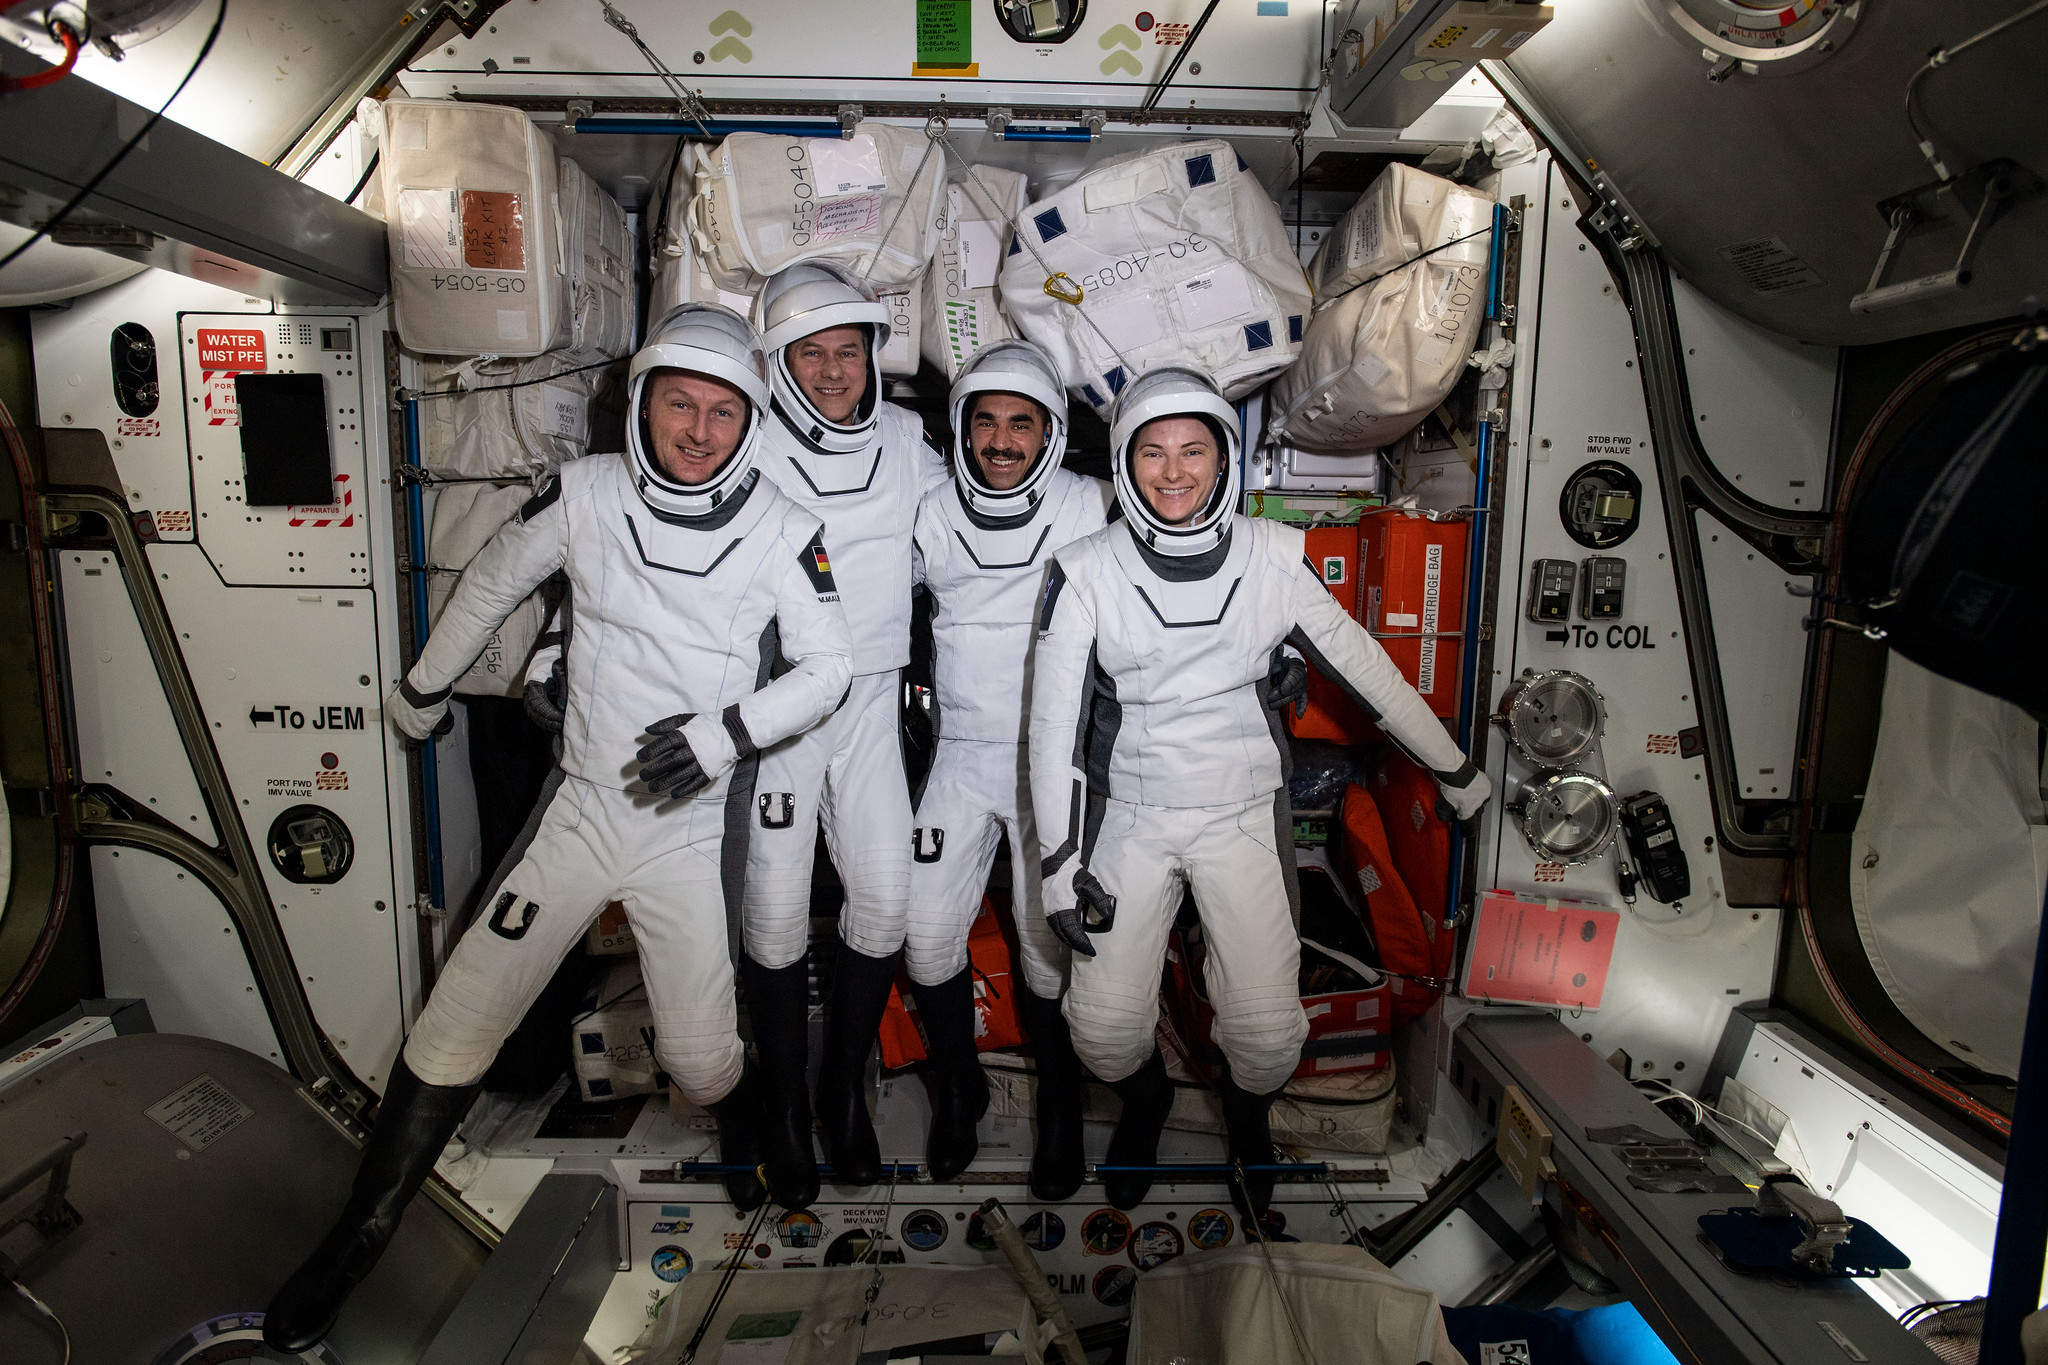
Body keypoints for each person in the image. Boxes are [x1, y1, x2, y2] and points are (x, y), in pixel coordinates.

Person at [263, 304, 852, 1352]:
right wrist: (424, 684)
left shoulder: (784, 529)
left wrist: (726, 737)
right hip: (578, 811)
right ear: (643, 404)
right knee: (458, 1017)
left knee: (701, 1060)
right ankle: (357, 1235)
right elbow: (493, 580)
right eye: (680, 404)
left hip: (685, 825)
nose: (699, 431)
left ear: (749, 422)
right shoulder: (582, 496)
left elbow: (829, 669)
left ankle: (761, 1116)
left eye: (723, 412)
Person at [1027, 366, 1491, 1218]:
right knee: (1098, 1032)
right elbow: (1051, 730)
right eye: (1153, 452)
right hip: (1129, 816)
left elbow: (1366, 671)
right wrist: (1060, 864)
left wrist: (1454, 767)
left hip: (1241, 813)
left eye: (1193, 450)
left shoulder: (1273, 557)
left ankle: (1247, 1121)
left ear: (1222, 458)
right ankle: (1148, 1102)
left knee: (1268, 1036)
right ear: (1125, 465)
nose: (1173, 472)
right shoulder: (1083, 570)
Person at [741, 261, 950, 1205]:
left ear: (872, 354)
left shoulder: (908, 439)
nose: (832, 372)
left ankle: (841, 1086)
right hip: (784, 708)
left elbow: (969, 543)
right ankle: (784, 1107)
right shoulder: (740, 448)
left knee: (888, 902)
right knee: (776, 913)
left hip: (872, 700)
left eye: (847, 352)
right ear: (778, 363)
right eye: (810, 354)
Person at [905, 340, 1109, 1194]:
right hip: (956, 757)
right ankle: (962, 1088)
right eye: (984, 420)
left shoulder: (1092, 505)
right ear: (960, 427)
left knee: (1044, 948)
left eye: (1021, 423)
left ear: (1051, 433)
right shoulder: (928, 508)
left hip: (1047, 764)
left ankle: (1060, 1106)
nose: (1000, 440)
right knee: (921, 939)